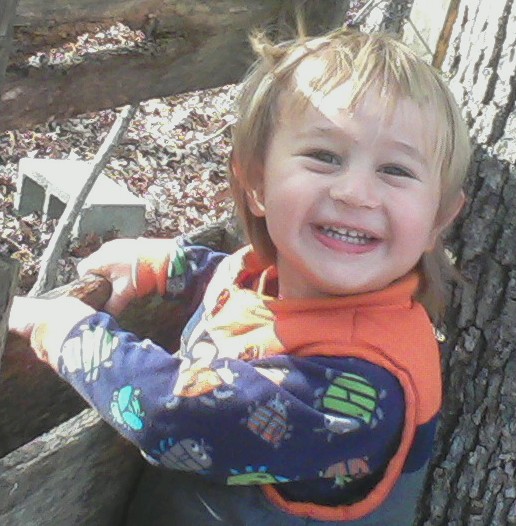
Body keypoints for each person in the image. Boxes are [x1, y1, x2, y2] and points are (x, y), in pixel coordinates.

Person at [9, 27, 471, 525]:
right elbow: (240, 291)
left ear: (438, 221)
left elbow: (174, 416)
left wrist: (65, 332)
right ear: (256, 184)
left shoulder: (360, 388)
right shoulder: (292, 282)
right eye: (325, 156)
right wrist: (166, 266)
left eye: (396, 170)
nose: (356, 192)